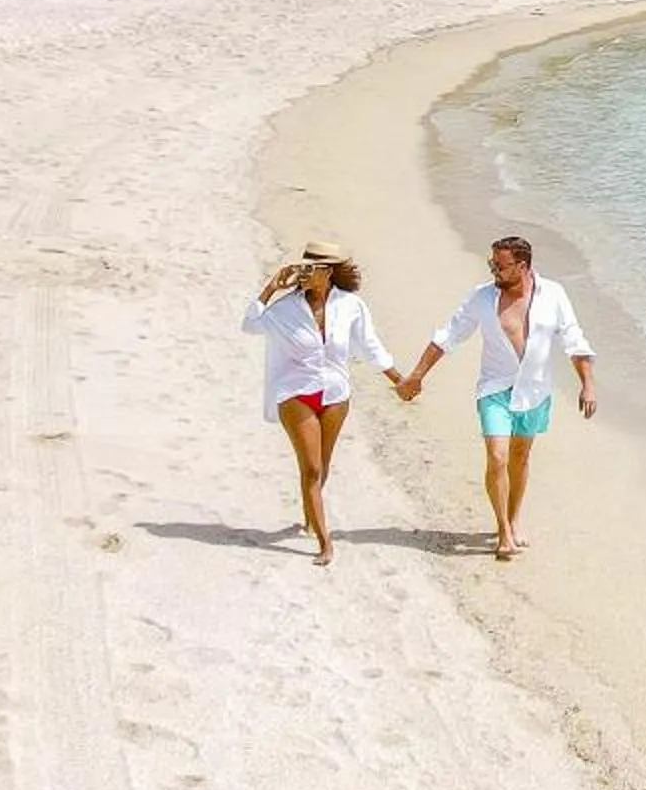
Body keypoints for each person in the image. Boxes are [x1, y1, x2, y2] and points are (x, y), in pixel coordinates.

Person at [398, 235, 596, 561]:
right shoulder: (482, 298)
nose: (493, 271)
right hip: (494, 388)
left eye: (500, 266)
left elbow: (574, 340)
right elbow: (448, 336)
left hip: (534, 389)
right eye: (492, 264)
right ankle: (503, 531)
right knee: (498, 457)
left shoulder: (553, 294)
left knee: (520, 457)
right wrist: (417, 375)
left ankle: (514, 519)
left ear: (523, 266)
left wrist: (587, 384)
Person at [243, 236, 405, 565]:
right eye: (302, 267)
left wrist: (399, 380)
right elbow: (250, 325)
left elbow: (370, 346)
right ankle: (324, 541)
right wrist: (271, 288)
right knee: (312, 468)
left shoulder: (350, 306)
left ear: (328, 272)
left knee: (322, 466)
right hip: (296, 393)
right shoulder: (286, 308)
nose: (304, 274)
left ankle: (309, 516)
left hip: (335, 394)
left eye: (312, 268)